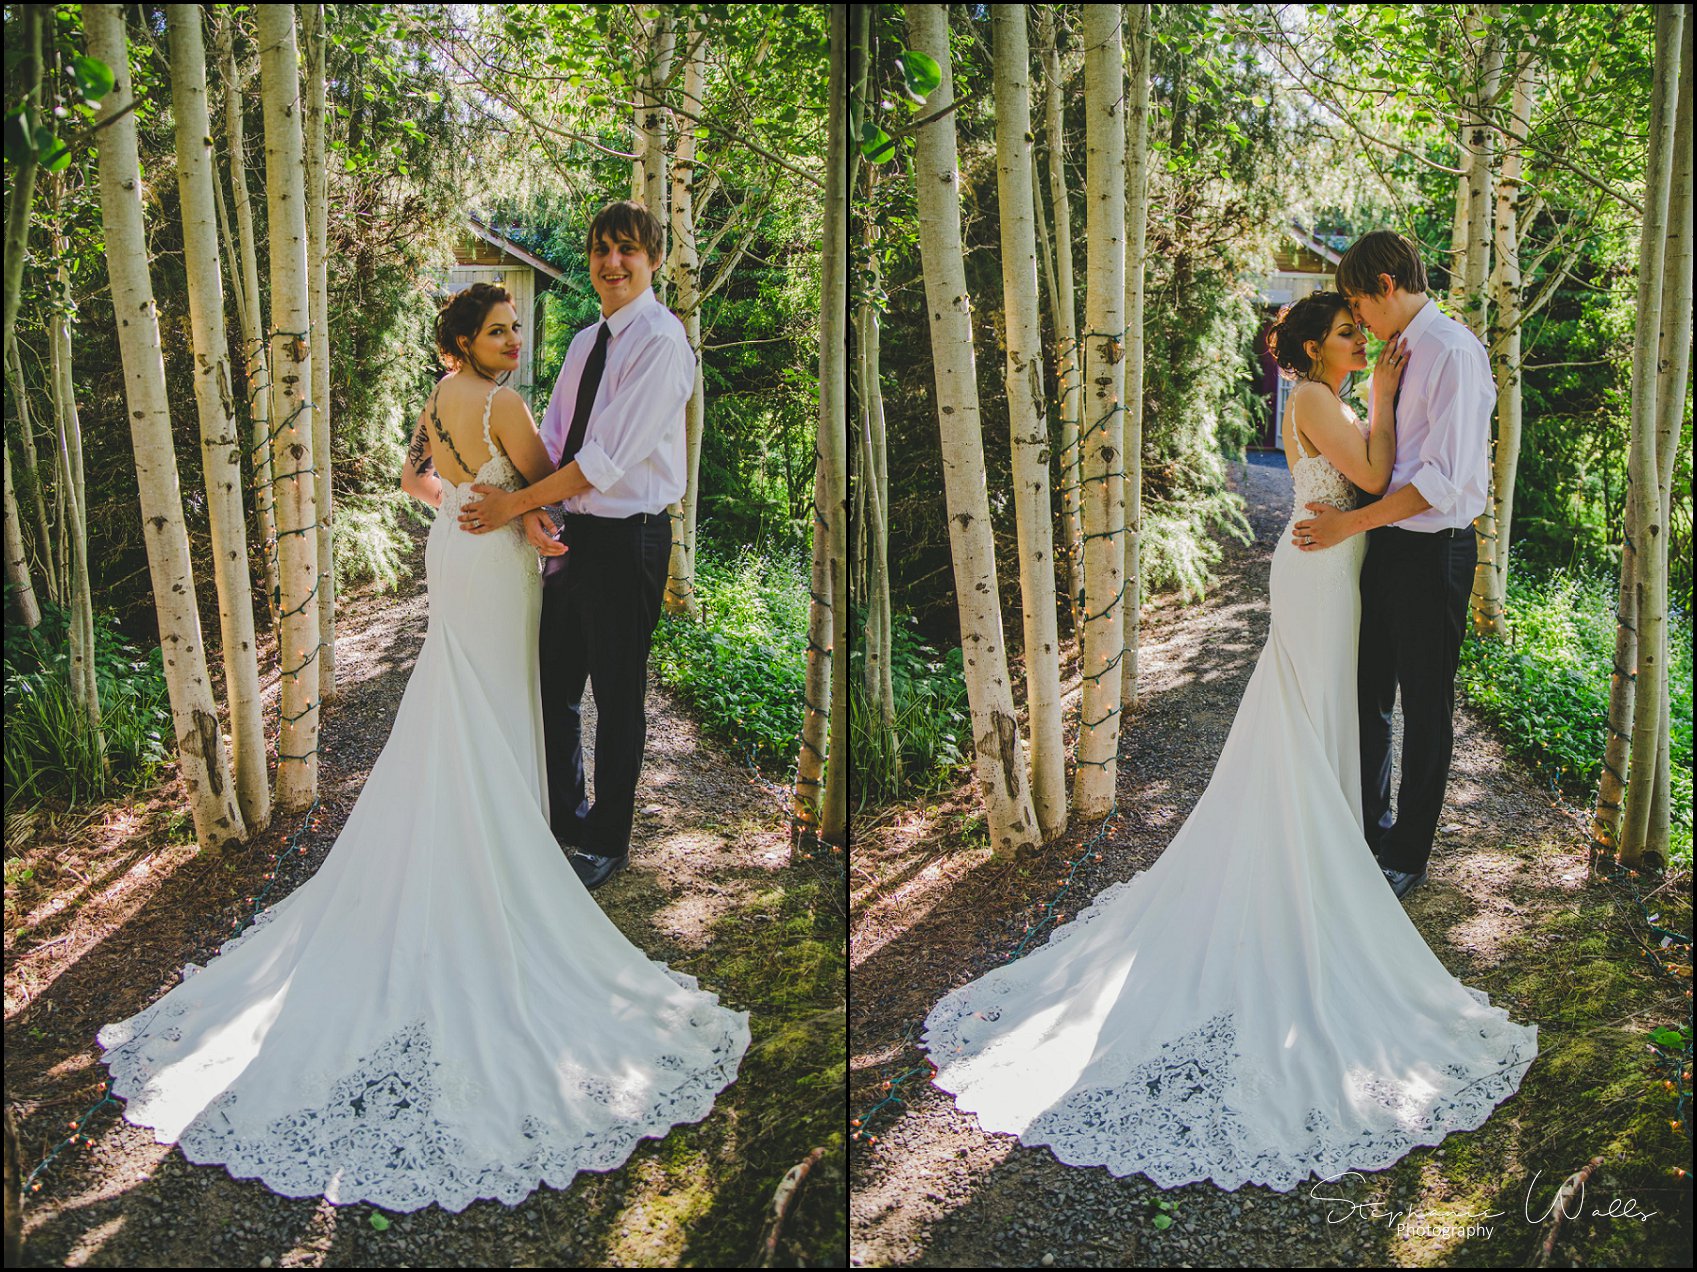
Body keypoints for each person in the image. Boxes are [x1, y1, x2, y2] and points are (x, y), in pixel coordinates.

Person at [95, 282, 750, 1214]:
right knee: (501, 698)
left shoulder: (438, 398)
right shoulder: (505, 405)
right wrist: (531, 520)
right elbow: (539, 494)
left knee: (460, 697)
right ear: (464, 340)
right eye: (496, 331)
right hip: (493, 566)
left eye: (515, 328)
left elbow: (417, 481)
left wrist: (473, 506)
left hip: (451, 546)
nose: (513, 340)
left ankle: (466, 833)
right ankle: (507, 850)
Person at [920, 290, 1536, 1191]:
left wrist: (1391, 396)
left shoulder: (1333, 394)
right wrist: (1395, 391)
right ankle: (1310, 854)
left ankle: (1330, 841)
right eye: (1345, 334)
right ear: (1311, 351)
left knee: (1324, 708)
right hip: (1322, 569)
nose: (1360, 342)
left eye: (1359, 332)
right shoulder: (1318, 401)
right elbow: (1370, 477)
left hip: (1337, 564)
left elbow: (1377, 466)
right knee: (1307, 706)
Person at [461, 201, 689, 892]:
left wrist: (512, 505)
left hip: (629, 540)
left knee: (616, 694)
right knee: (553, 685)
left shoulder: (661, 342)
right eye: (601, 249)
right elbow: (556, 443)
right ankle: (564, 821)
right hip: (571, 535)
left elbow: (603, 459)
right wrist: (537, 513)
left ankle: (604, 843)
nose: (611, 263)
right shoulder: (586, 343)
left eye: (627, 250)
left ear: (653, 260)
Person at [1292, 230, 1497, 901]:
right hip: (1385, 544)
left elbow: (1441, 481)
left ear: (1384, 286)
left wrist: (1346, 524)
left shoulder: (1452, 354)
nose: (1362, 325)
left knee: (1426, 707)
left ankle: (1406, 854)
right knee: (1368, 693)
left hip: (1433, 550)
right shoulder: (1401, 350)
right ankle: (1369, 829)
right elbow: (1383, 461)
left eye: (1358, 305)